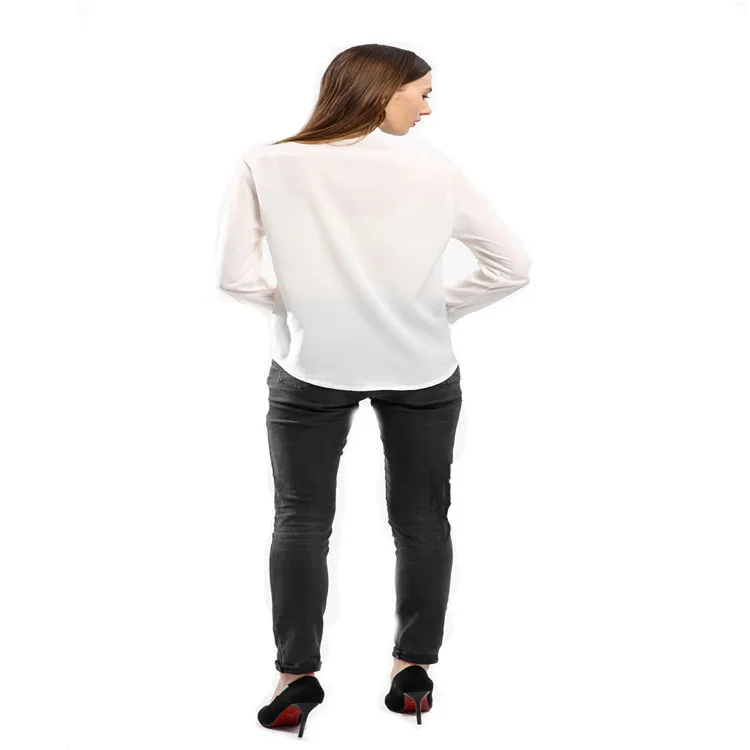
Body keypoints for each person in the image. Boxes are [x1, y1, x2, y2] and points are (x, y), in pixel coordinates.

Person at [214, 42, 532, 735]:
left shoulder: (265, 164)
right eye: (422, 92)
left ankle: (295, 677)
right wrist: (430, 311)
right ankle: (413, 672)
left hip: (310, 366)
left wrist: (306, 309)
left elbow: (234, 277)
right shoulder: (433, 169)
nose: (428, 108)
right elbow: (512, 266)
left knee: (301, 521)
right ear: (382, 90)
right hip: (420, 367)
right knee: (422, 520)